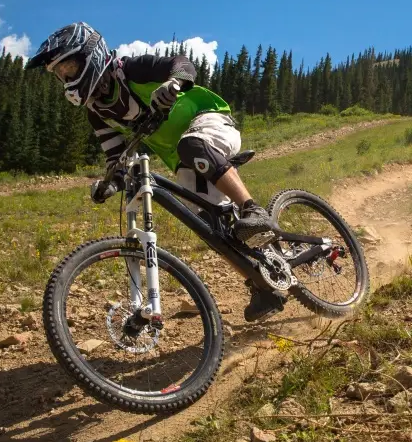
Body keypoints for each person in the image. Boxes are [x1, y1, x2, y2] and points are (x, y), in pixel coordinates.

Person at [27, 22, 284, 320]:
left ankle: (253, 210)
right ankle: (263, 285)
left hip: (209, 122)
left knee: (192, 145)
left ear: (89, 56)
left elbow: (184, 65)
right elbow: (117, 157)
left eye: (68, 68)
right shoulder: (96, 111)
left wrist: (173, 84)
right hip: (183, 159)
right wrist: (110, 184)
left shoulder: (130, 70)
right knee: (211, 228)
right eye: (60, 74)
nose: (66, 78)